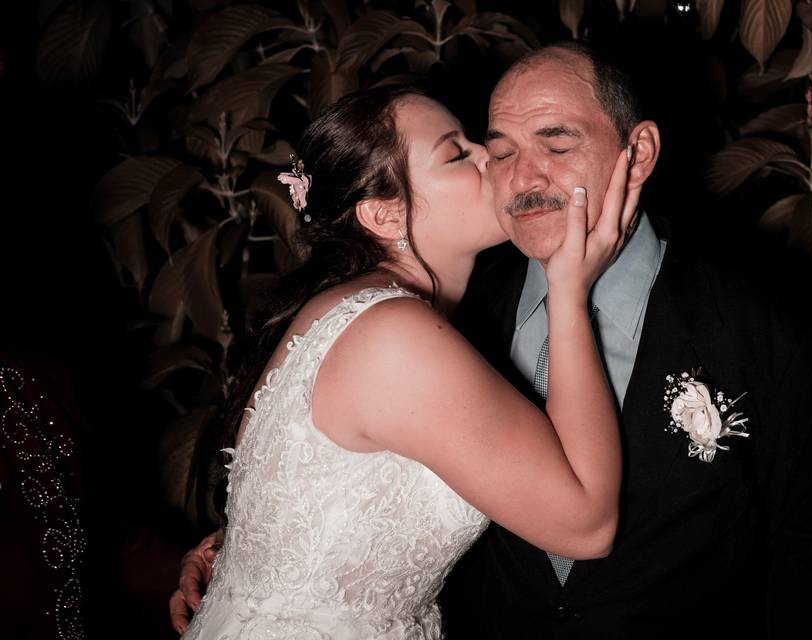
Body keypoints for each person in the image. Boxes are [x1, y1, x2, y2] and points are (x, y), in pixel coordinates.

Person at [175, 43, 812, 638]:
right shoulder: (439, 321)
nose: (515, 176)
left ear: (636, 154)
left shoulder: (773, 326)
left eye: (556, 142)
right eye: (491, 150)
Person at [173, 82, 642, 639]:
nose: (488, 157)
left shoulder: (350, 310)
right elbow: (586, 524)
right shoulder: (393, 336)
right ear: (384, 214)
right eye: (456, 154)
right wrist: (569, 290)